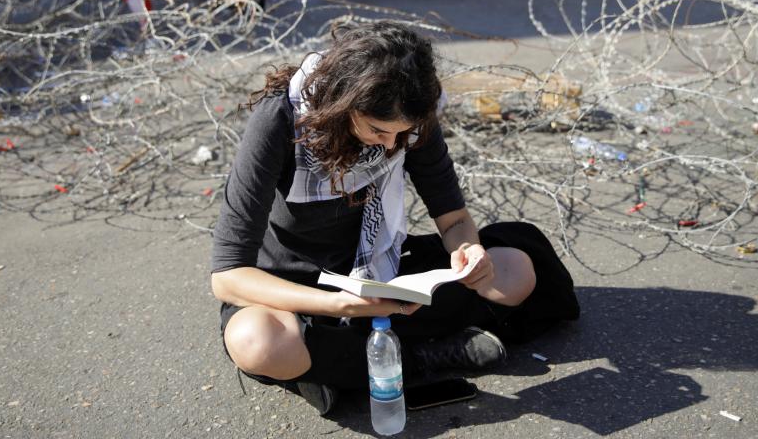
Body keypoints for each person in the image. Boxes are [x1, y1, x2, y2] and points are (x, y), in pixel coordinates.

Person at [210, 21, 580, 415]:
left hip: (381, 269)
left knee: (513, 270)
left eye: (401, 135)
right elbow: (228, 276)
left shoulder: (410, 122)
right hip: (299, 290)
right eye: (378, 130)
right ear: (344, 101)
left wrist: (468, 253)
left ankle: (343, 369)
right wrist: (338, 305)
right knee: (256, 341)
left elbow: (453, 218)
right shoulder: (281, 119)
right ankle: (421, 358)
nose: (391, 145)